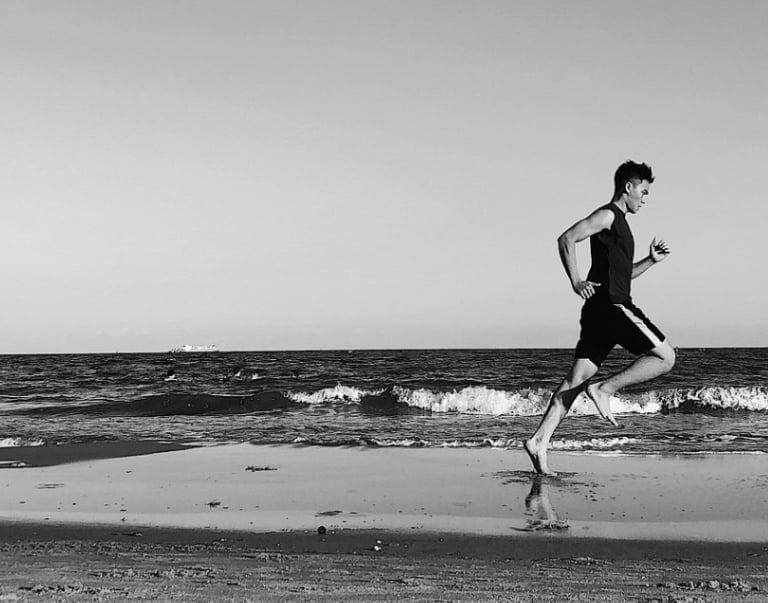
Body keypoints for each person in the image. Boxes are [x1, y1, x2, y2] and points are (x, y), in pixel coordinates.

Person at [524, 160, 676, 475]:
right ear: (628, 187)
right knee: (666, 356)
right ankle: (606, 390)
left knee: (576, 379)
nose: (644, 199)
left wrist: (650, 260)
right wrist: (576, 280)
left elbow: (622, 275)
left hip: (601, 307)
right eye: (643, 192)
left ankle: (539, 440)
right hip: (611, 305)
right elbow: (566, 238)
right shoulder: (608, 215)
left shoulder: (621, 225)